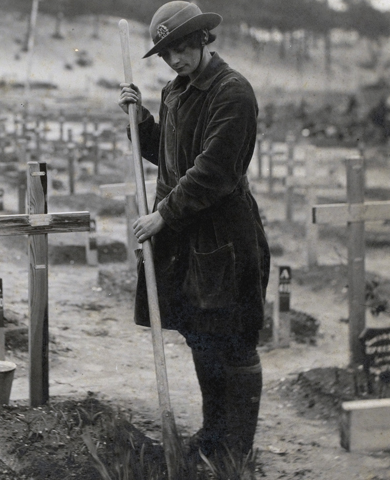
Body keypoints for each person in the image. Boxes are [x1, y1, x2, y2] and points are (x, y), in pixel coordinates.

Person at [118, 1, 270, 460]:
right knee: (201, 335)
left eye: (183, 48)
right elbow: (169, 156)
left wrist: (163, 213)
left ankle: (236, 453)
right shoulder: (174, 92)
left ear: (204, 39)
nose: (176, 59)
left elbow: (213, 170)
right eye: (167, 54)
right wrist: (140, 120)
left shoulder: (232, 92)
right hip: (187, 238)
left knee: (235, 341)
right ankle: (213, 435)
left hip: (225, 238)